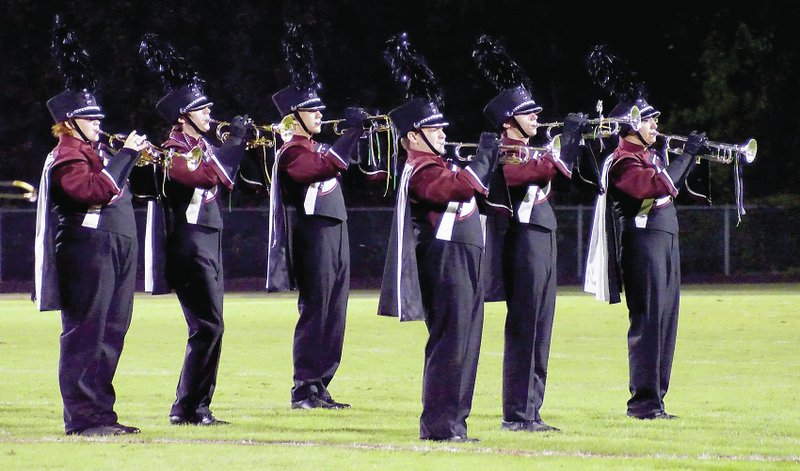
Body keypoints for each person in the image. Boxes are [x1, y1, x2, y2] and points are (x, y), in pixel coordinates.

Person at [378, 33, 500, 442]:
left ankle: (455, 423)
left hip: (467, 260)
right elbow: (458, 189)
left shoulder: (440, 161)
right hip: (445, 264)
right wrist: (485, 154)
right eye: (434, 129)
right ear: (414, 136)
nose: (444, 135)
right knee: (450, 342)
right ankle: (439, 425)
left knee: (467, 342)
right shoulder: (421, 170)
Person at [34, 16, 147, 436]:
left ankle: (102, 415)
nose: (100, 125)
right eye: (92, 120)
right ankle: (83, 418)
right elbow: (93, 191)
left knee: (111, 332)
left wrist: (133, 160)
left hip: (112, 249)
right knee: (86, 333)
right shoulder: (66, 155)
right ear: (71, 122)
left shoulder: (95, 151)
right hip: (86, 251)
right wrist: (127, 156)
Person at [473, 35, 588, 433]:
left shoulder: (531, 148)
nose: (538, 117)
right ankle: (516, 414)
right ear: (509, 122)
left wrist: (567, 144)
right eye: (529, 113)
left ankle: (531, 411)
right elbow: (544, 172)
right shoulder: (504, 152)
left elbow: (555, 169)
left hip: (543, 238)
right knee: (525, 327)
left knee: (541, 328)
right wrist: (569, 140)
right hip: (522, 243)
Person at [139, 33, 248, 426]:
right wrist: (235, 141)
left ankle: (195, 406)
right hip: (188, 244)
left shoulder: (198, 144)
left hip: (208, 240)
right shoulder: (172, 151)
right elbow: (213, 175)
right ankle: (188, 407)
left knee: (211, 326)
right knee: (207, 324)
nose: (210, 113)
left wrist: (233, 143)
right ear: (183, 116)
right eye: (202, 109)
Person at [585, 96, 707, 420]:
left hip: (664, 243)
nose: (656, 125)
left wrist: (688, 158)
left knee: (666, 324)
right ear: (630, 126)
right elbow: (655, 187)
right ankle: (643, 403)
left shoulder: (651, 155)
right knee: (648, 322)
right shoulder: (622, 160)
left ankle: (657, 401)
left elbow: (676, 185)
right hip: (643, 245)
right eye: (649, 120)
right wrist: (688, 155)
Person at [267, 22, 366, 410]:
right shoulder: (293, 151)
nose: (321, 115)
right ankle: (303, 387)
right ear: (295, 117)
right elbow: (325, 167)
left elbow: (351, 166)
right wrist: (353, 132)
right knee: (316, 309)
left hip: (335, 231)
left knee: (335, 311)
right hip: (313, 236)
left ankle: (321, 383)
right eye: (313, 111)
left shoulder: (314, 145)